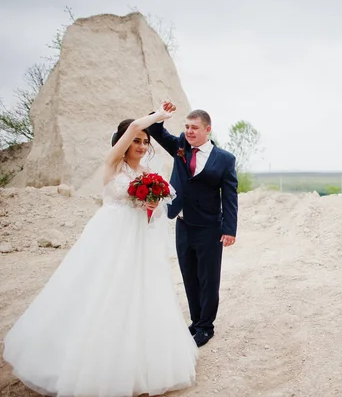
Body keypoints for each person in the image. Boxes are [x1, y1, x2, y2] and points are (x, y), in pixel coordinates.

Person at [2, 103, 198, 397]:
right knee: (98, 291)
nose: (142, 146)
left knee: (139, 295)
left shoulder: (148, 173)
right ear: (123, 141)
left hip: (138, 242)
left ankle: (137, 365)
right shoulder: (112, 164)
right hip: (109, 236)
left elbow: (155, 211)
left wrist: (153, 206)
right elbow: (132, 127)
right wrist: (158, 117)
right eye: (137, 140)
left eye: (146, 142)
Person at [148, 105, 238, 347]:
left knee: (208, 278)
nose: (189, 131)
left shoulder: (225, 159)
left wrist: (229, 229)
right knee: (189, 276)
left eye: (194, 128)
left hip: (209, 227)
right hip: (182, 223)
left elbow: (229, 196)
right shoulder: (180, 146)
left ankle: (206, 327)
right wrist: (160, 113)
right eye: (186, 127)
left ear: (207, 130)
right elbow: (154, 129)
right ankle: (196, 321)